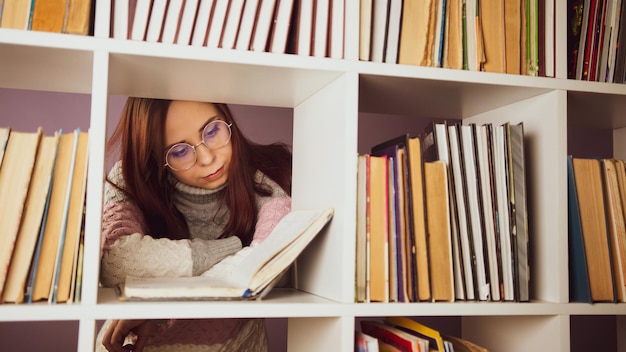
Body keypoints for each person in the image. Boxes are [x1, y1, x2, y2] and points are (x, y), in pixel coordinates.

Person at [96, 98, 293, 352]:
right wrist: (233, 247)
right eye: (179, 151)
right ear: (157, 157)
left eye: (212, 131)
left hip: (236, 345)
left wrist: (160, 312)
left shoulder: (266, 178)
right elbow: (115, 263)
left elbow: (269, 265)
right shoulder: (129, 178)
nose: (207, 158)